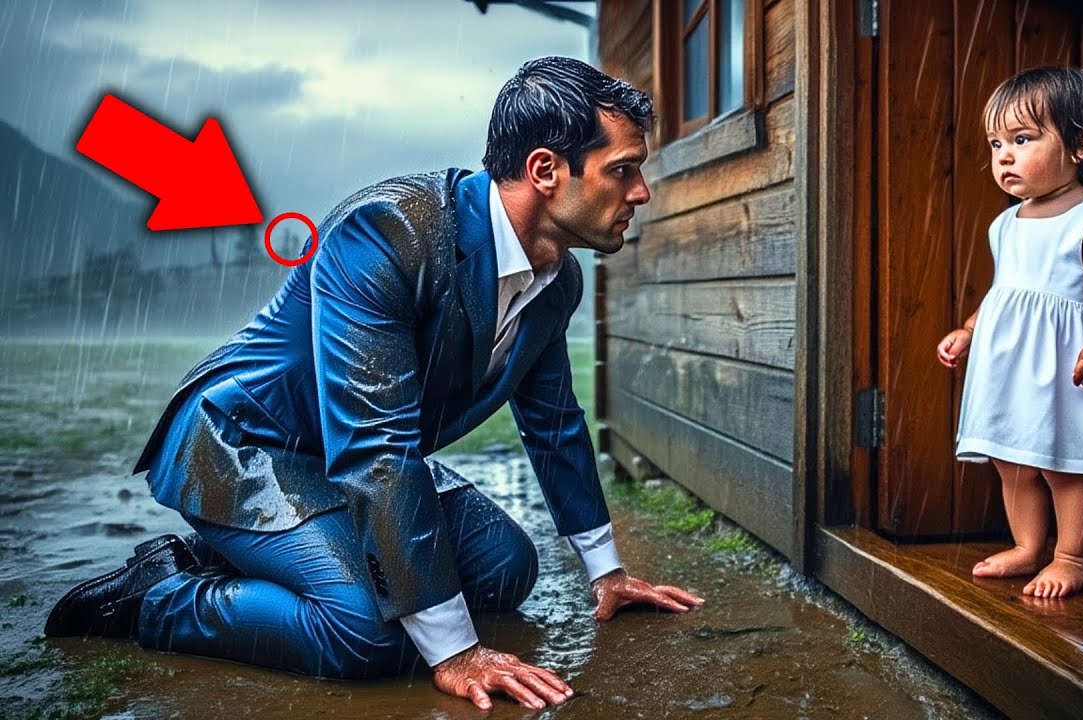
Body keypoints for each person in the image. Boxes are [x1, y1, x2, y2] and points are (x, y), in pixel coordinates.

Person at [44, 56, 703, 711]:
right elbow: (376, 446)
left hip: (348, 461)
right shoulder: (388, 231)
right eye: (623, 169)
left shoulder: (558, 279)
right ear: (544, 170)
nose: (641, 192)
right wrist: (456, 652)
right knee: (366, 634)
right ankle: (159, 594)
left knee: (505, 568)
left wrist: (607, 573)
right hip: (248, 446)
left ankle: (261, 560)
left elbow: (554, 421)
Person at [935, 66, 1083, 599]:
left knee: (1064, 460)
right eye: (996, 143)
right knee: (1011, 459)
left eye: (1022, 139)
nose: (1004, 156)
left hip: (1067, 364)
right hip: (1011, 364)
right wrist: (969, 330)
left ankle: (1072, 556)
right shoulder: (1007, 222)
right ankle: (1027, 545)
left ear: (1080, 145)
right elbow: (1006, 291)